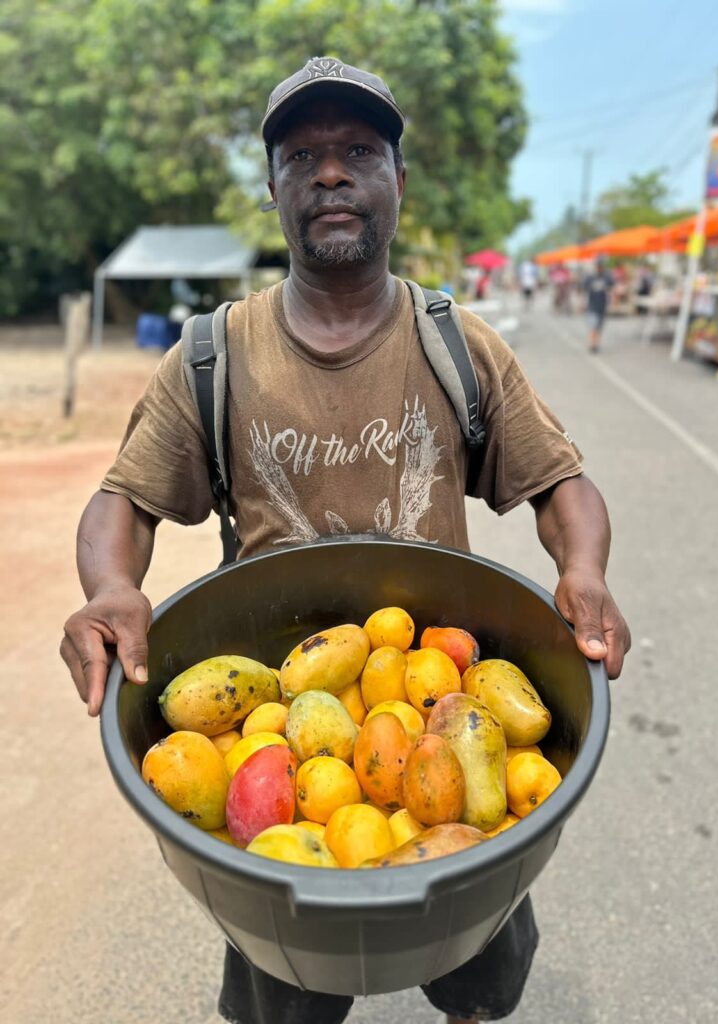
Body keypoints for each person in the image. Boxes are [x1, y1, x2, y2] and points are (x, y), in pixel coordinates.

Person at [60, 56, 631, 1024]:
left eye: (359, 151)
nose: (331, 173)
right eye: (303, 156)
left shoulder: (461, 344)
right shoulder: (211, 355)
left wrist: (583, 569)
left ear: (397, 184)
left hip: (444, 697)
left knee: (480, 963)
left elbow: (559, 481)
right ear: (274, 188)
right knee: (286, 984)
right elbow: (126, 499)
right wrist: (112, 583)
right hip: (267, 709)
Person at [583, 255, 613, 353]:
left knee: (599, 326)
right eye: (598, 265)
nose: (600, 267)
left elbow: (612, 286)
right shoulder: (590, 277)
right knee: (593, 326)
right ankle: (593, 344)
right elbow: (584, 287)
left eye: (601, 265)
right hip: (592, 305)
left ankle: (596, 343)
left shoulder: (607, 276)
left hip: (602, 305)